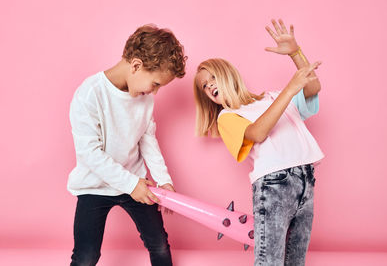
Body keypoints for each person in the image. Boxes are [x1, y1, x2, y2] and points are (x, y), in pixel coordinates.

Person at [193, 19, 324, 266]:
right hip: (274, 187)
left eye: (212, 77)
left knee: (296, 262)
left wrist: (296, 53)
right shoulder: (227, 117)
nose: (209, 85)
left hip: (306, 181)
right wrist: (290, 88)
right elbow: (258, 133)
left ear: (227, 74)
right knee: (270, 262)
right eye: (204, 85)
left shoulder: (271, 98)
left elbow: (313, 87)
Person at [68, 24, 187, 266]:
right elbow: (90, 153)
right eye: (155, 84)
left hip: (137, 183)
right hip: (95, 185)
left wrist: (164, 179)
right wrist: (130, 184)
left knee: (160, 246)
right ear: (135, 66)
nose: (154, 92)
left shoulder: (144, 100)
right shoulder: (90, 94)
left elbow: (147, 139)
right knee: (86, 256)